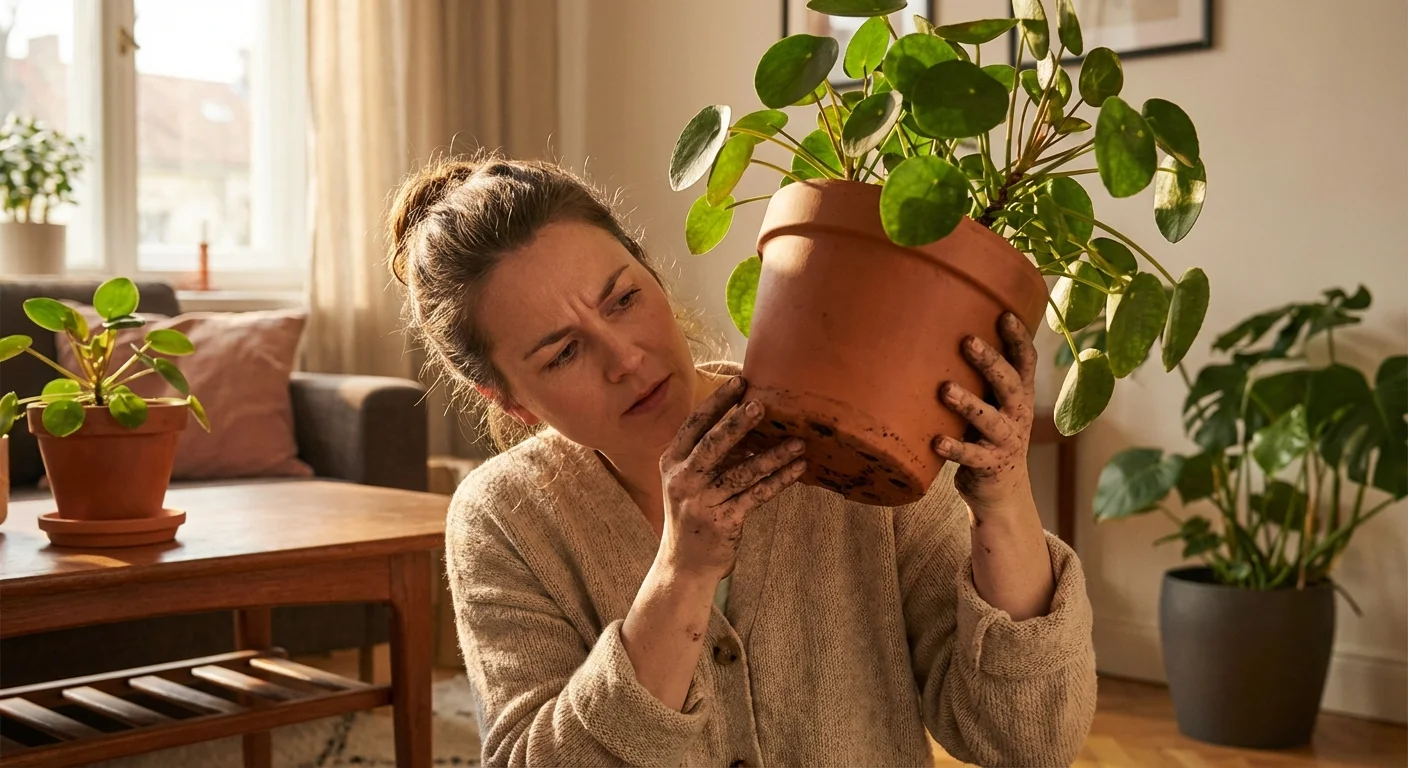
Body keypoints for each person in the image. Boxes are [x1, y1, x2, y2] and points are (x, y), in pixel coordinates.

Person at [389, 151, 1097, 767]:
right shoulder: (504, 518)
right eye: (564, 351)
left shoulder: (856, 443)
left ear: (653, 277)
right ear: (511, 401)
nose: (626, 357)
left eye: (625, 298)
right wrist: (682, 573)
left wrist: (1003, 497)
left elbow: (1025, 743)